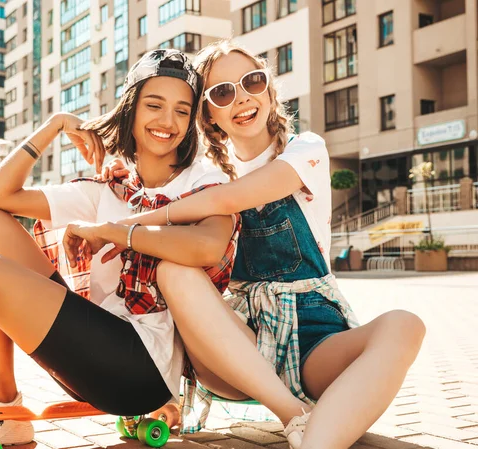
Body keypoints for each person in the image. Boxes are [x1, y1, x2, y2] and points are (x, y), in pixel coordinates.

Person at [71, 40, 426, 449]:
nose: (241, 97)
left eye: (252, 82)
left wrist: (120, 227)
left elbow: (223, 201)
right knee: (174, 270)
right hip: (236, 347)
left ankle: (314, 439)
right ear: (209, 114)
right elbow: (156, 189)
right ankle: (294, 416)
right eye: (222, 92)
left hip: (315, 340)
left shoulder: (305, 151)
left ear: (269, 89)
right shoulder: (204, 175)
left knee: (405, 324)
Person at [0, 49, 239, 449]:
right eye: (154, 105)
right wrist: (55, 125)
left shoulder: (202, 180)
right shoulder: (109, 185)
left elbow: (209, 246)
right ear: (131, 109)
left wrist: (113, 231)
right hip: (89, 349)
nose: (167, 122)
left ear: (191, 123)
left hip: (142, 371)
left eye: (182, 111)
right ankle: (0, 398)